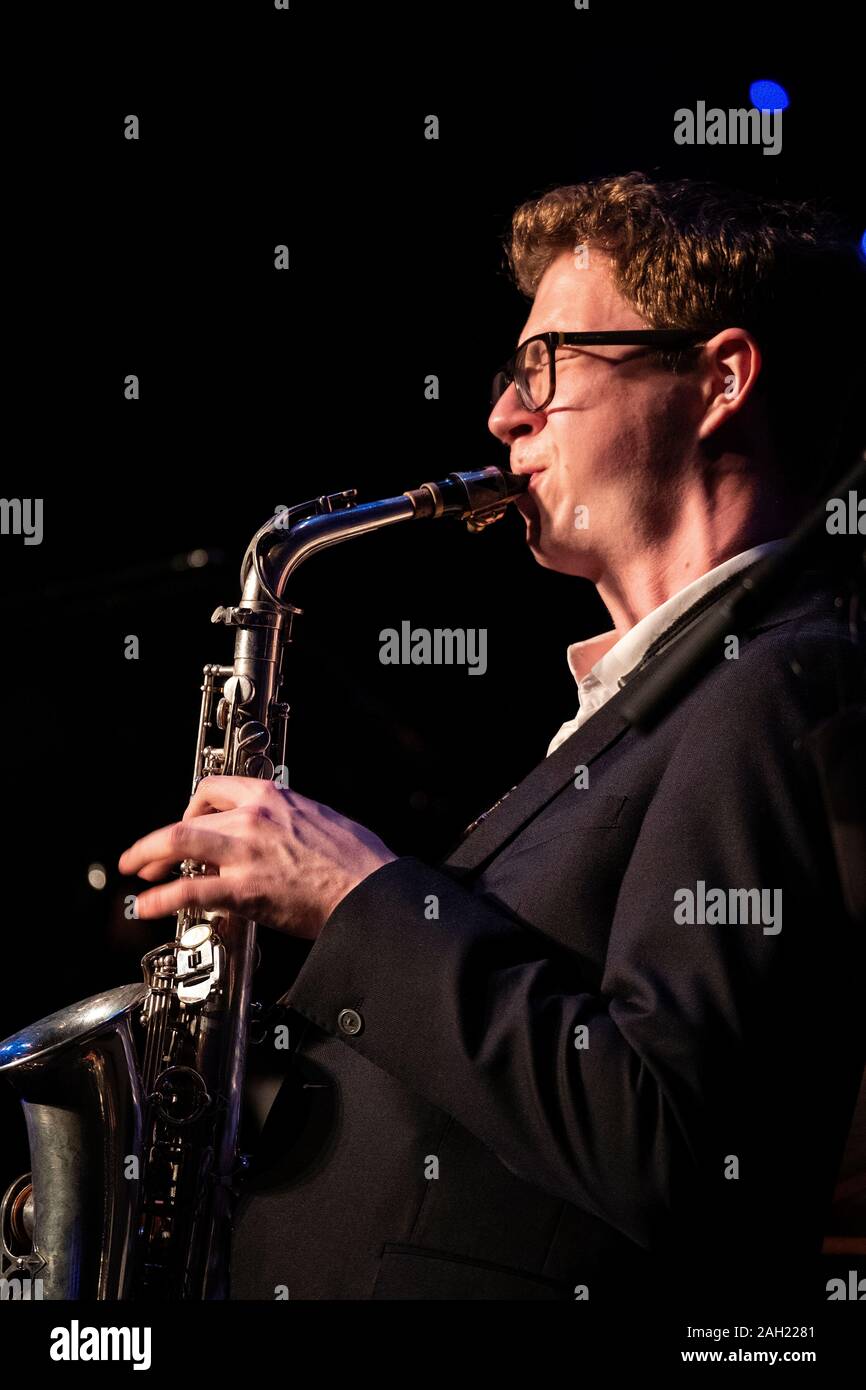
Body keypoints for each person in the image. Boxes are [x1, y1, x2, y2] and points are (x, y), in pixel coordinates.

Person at [119, 173, 866, 1305]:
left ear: (718, 377)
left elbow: (679, 1150)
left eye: (546, 368)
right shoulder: (669, 699)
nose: (504, 418)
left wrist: (360, 893)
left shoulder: (776, 682)